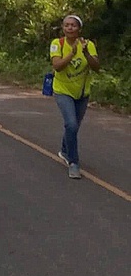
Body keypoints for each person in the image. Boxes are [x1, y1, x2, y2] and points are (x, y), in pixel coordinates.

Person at [50, 14, 99, 179]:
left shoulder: (88, 45)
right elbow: (57, 66)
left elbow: (97, 67)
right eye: (67, 25)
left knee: (74, 126)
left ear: (79, 29)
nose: (70, 28)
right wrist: (71, 54)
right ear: (63, 28)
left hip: (82, 92)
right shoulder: (58, 44)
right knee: (71, 124)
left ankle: (64, 150)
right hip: (63, 90)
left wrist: (86, 54)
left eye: (73, 25)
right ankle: (73, 162)